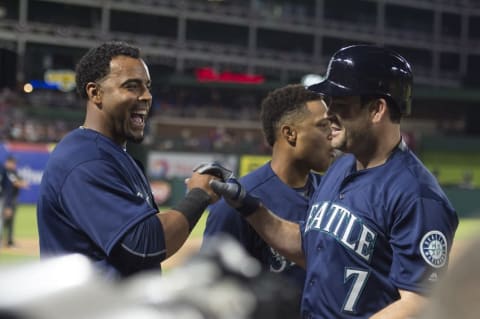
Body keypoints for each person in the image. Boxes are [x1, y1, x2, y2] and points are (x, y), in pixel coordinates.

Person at [207, 45, 459, 318]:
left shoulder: (417, 195)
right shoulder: (341, 167)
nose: (329, 114)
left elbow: (417, 303)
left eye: (341, 103)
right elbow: (309, 247)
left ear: (376, 109)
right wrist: (250, 207)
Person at [37, 41, 220, 278]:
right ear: (95, 93)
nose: (147, 97)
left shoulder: (113, 154)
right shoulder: (84, 160)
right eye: (131, 86)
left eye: (147, 87)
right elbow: (143, 244)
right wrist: (199, 195)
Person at [203, 84, 334, 302]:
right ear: (290, 134)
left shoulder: (334, 193)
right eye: (323, 126)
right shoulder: (237, 203)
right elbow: (214, 293)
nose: (333, 135)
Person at [2, 155, 28, 247]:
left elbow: (23, 182)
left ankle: (9, 241)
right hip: (7, 199)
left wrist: (21, 183)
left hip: (11, 199)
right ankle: (5, 240)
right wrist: (8, 205)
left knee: (9, 221)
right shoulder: (6, 171)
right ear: (8, 162)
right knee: (4, 220)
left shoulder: (12, 172)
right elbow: (15, 184)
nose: (14, 164)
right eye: (12, 163)